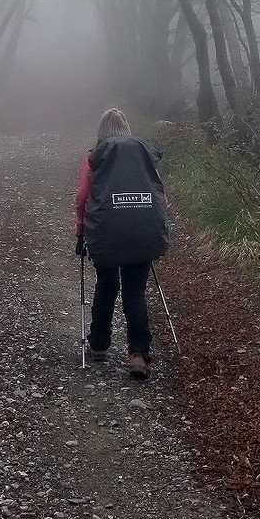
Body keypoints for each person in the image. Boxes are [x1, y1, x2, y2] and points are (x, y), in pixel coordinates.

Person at [74, 107, 170, 380]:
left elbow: (82, 198)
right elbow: (161, 197)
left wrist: (81, 232)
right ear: (126, 130)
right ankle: (138, 354)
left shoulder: (94, 158)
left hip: (105, 231)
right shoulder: (143, 155)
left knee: (107, 283)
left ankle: (99, 343)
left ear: (101, 133)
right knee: (135, 292)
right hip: (143, 229)